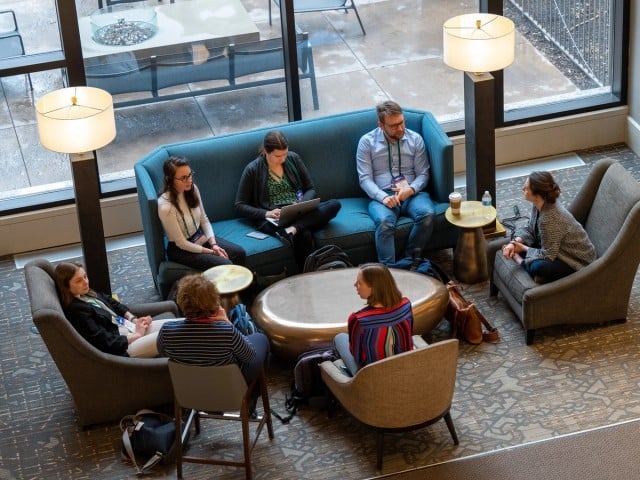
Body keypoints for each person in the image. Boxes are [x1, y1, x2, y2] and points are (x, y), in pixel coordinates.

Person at [235, 130, 341, 268]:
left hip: (299, 211)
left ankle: (293, 229)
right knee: (304, 235)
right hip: (274, 217)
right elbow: (239, 205)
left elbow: (311, 188)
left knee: (334, 204)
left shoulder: (293, 158)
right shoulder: (253, 169)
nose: (283, 159)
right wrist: (267, 213)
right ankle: (310, 274)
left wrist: (301, 205)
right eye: (278, 156)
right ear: (266, 152)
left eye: (285, 153)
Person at [356, 100, 435, 265]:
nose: (400, 129)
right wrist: (383, 197)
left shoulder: (415, 139)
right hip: (383, 195)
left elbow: (423, 173)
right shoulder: (366, 142)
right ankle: (389, 271)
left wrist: (411, 189)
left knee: (427, 215)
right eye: (393, 126)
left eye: (401, 123)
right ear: (381, 125)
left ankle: (409, 262)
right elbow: (365, 179)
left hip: (412, 193)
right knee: (384, 223)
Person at [157, 274, 270, 387]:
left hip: (189, 390)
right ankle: (253, 394)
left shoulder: (166, 331)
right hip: (227, 388)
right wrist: (227, 322)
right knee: (261, 338)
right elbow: (250, 356)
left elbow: (163, 353)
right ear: (213, 301)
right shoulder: (227, 332)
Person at [54, 262, 173, 358]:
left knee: (175, 325)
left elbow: (113, 303)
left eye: (85, 276)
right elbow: (104, 341)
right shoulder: (76, 311)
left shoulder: (86, 294)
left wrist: (133, 320)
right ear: (66, 287)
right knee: (173, 335)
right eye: (79, 280)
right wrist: (137, 334)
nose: (86, 282)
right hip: (123, 347)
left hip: (127, 328)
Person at [501, 170, 596, 283]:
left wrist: (521, 248)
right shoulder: (538, 204)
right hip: (553, 247)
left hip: (576, 259)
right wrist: (514, 243)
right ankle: (526, 262)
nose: (522, 189)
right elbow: (530, 229)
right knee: (516, 243)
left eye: (526, 188)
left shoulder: (549, 218)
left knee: (538, 267)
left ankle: (519, 261)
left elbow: (548, 254)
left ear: (537, 195)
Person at [158, 156, 246, 271]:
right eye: (183, 178)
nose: (189, 180)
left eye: (190, 175)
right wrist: (212, 252)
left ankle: (242, 288)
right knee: (225, 264)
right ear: (169, 179)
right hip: (181, 249)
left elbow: (204, 219)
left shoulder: (192, 189)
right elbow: (181, 243)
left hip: (199, 236)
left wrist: (214, 244)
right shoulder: (166, 207)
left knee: (239, 253)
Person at [333, 263, 414, 376]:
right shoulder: (406, 304)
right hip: (405, 363)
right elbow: (410, 334)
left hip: (374, 374)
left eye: (360, 283)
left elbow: (358, 356)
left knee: (339, 337)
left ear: (374, 288)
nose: (355, 285)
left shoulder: (358, 320)